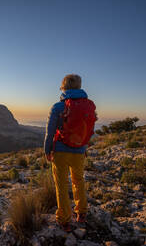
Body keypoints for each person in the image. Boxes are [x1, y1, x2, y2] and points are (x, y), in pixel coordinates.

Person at [44, 74, 96, 231]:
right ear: (79, 87)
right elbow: (89, 130)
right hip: (79, 150)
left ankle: (64, 220)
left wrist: (47, 150)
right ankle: (81, 213)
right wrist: (84, 147)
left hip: (60, 150)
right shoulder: (88, 105)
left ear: (63, 88)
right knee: (78, 181)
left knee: (61, 185)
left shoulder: (58, 107)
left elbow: (50, 131)